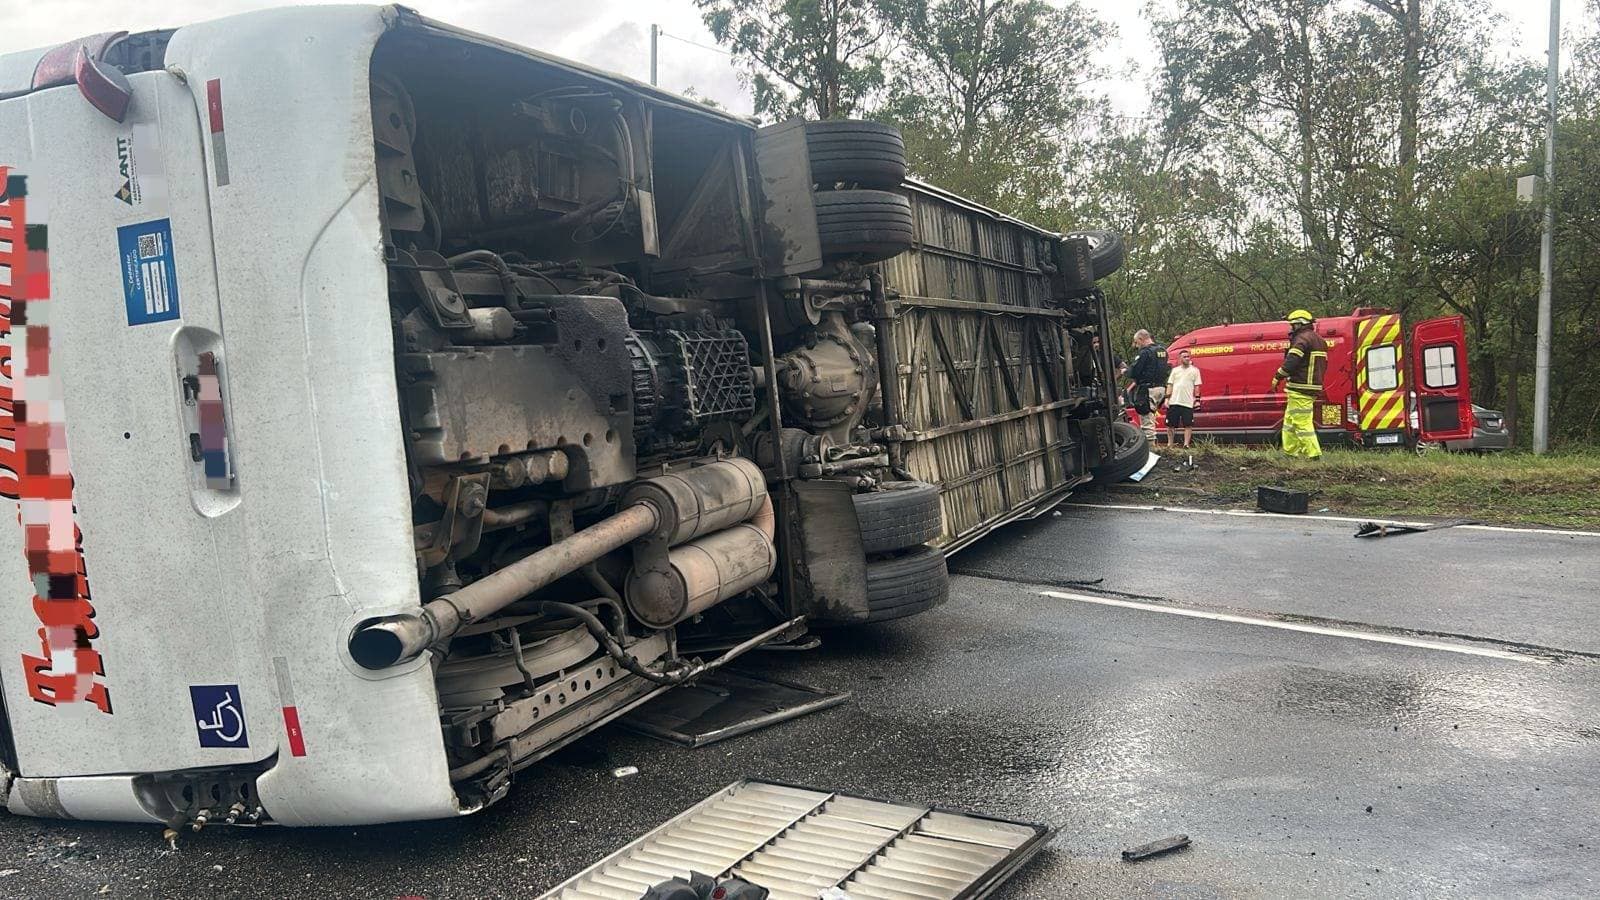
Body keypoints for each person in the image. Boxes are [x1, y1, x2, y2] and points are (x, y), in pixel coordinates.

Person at [1269, 309, 1328, 459]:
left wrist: (1278, 376)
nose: (1291, 329)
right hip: (1309, 387)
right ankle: (1290, 452)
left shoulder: (1302, 339)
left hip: (1301, 388)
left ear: (1299, 324)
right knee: (1289, 422)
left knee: (1302, 423)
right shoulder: (1319, 340)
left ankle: (1313, 455)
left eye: (1292, 325)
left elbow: (1292, 361)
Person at [1124, 329, 1169, 444]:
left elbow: (1134, 371)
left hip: (1148, 389)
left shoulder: (1145, 352)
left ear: (1141, 339)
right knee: (1151, 418)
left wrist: (1126, 371)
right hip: (1161, 388)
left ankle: (1150, 449)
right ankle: (1155, 445)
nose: (1136, 345)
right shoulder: (1162, 351)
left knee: (1146, 421)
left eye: (1136, 342)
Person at [1164, 349, 1202, 448]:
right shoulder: (1175, 370)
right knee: (1170, 425)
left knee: (1188, 425)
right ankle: (1170, 444)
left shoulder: (1195, 370)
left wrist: (1197, 400)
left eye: (1188, 356)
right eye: (1184, 357)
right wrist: (1167, 398)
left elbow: (1197, 386)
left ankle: (1186, 444)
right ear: (1180, 358)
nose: (1187, 358)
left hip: (1187, 402)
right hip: (1174, 401)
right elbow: (1170, 384)